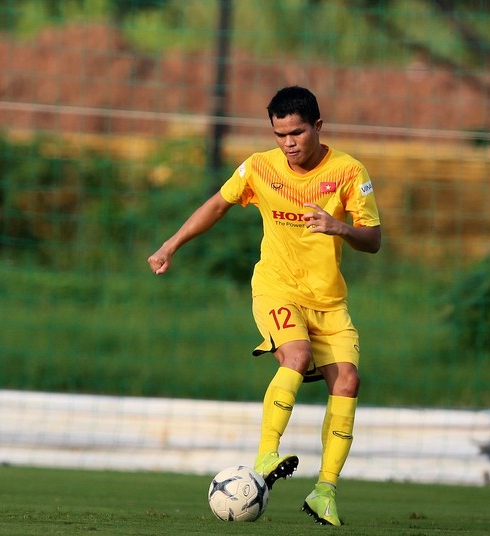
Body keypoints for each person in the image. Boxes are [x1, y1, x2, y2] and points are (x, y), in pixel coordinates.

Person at [147, 85, 381, 526]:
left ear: (317, 126)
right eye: (280, 134)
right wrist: (170, 244)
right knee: (297, 354)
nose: (289, 143)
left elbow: (375, 238)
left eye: (296, 132)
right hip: (276, 288)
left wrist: (339, 227)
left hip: (329, 301)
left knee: (348, 382)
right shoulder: (259, 167)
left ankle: (324, 492)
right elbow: (218, 204)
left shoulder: (349, 172)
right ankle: (266, 455)